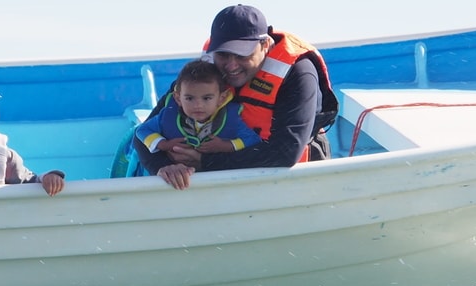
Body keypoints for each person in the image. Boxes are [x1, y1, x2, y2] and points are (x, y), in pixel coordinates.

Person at [135, 4, 338, 189]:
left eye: (242, 55)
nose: (231, 66)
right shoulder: (206, 69)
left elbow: (286, 152)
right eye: (223, 55)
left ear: (265, 45)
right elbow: (141, 134)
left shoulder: (298, 72)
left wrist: (204, 162)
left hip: (290, 179)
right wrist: (162, 166)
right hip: (223, 176)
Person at [134, 59, 261, 189]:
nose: (198, 105)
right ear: (178, 98)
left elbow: (252, 139)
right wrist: (164, 144)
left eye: (206, 98)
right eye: (189, 98)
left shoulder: (231, 120)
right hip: (175, 183)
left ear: (221, 98)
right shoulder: (167, 116)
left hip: (214, 184)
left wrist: (225, 146)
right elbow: (142, 130)